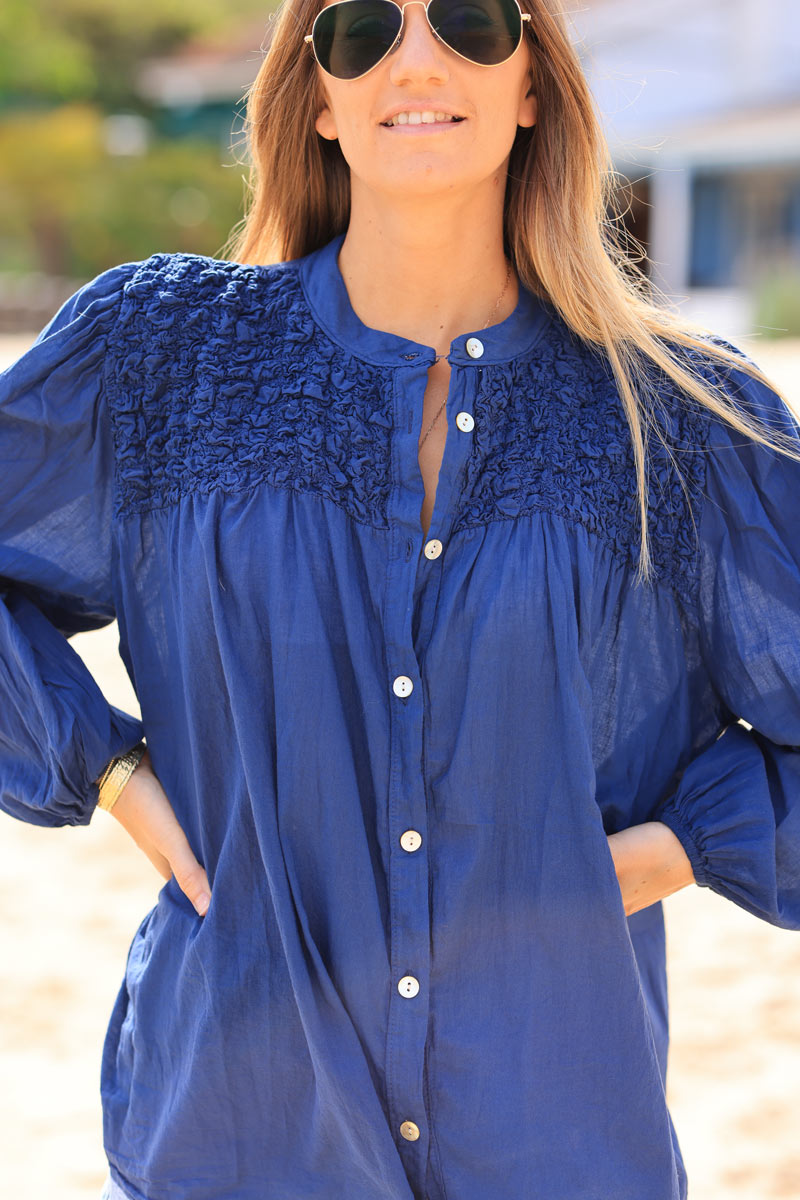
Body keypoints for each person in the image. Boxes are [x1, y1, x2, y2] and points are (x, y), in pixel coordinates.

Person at [2, 0, 800, 1196]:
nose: (414, 57)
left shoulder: (676, 421)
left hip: (554, 1127)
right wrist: (111, 776)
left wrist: (665, 854)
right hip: (236, 1128)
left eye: (469, 20)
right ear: (317, 94)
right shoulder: (162, 354)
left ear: (533, 83)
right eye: (362, 27)